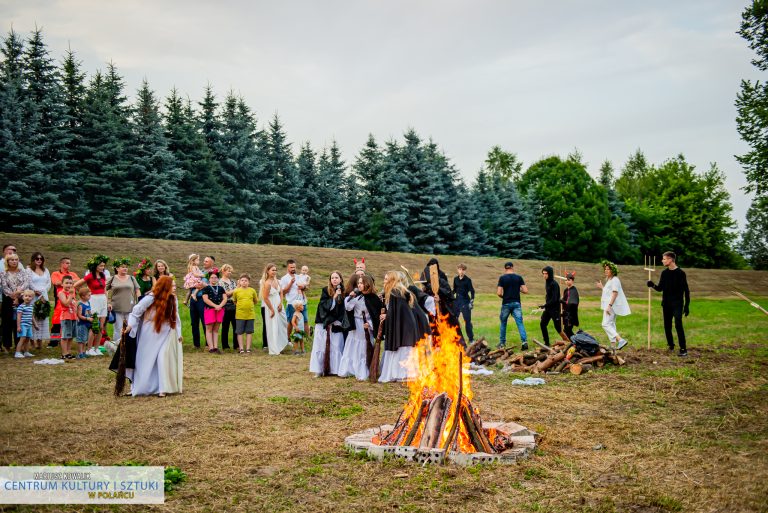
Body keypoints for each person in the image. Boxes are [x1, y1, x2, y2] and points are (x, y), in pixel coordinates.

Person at [128, 276, 183, 397]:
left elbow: (176, 317)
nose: (174, 288)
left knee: (162, 358)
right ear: (165, 287)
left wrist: (179, 333)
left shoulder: (173, 299)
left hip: (166, 333)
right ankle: (145, 385)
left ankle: (163, 388)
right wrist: (130, 326)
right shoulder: (151, 298)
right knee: (146, 360)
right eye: (172, 286)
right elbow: (136, 311)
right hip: (149, 333)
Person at [379, 271, 427, 383]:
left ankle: (401, 374)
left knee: (402, 348)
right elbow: (396, 311)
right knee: (403, 348)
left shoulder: (395, 292)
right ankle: (403, 374)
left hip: (404, 326)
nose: (384, 281)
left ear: (392, 281)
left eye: (387, 279)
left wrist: (387, 315)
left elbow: (397, 311)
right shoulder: (398, 291)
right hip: (405, 325)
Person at [339, 274, 383, 380]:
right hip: (355, 324)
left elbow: (376, 316)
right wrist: (350, 296)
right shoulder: (358, 296)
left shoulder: (373, 298)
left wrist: (370, 324)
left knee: (363, 347)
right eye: (358, 283)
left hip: (365, 326)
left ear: (367, 284)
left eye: (361, 283)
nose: (359, 285)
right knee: (352, 345)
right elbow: (348, 307)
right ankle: (350, 369)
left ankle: (363, 370)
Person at [647, 251, 691, 357]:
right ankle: (671, 345)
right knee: (667, 326)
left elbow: (686, 290)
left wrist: (686, 305)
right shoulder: (664, 273)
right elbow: (660, 288)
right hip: (666, 304)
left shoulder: (680, 273)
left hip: (677, 304)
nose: (662, 260)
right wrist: (652, 285)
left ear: (671, 260)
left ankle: (683, 349)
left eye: (664, 259)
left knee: (678, 324)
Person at [309, 271, 348, 376]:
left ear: (341, 279)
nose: (334, 279)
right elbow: (323, 306)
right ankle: (319, 369)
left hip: (336, 324)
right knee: (321, 346)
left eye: (336, 277)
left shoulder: (345, 292)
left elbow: (344, 309)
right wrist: (334, 296)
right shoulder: (325, 290)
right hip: (324, 323)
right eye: (332, 278)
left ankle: (335, 370)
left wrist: (338, 321)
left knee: (336, 346)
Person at [74, 254, 110, 352]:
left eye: (103, 266)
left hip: (103, 299)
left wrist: (107, 302)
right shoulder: (90, 276)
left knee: (101, 326)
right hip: (94, 299)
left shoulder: (103, 275)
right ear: (95, 266)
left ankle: (96, 348)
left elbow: (105, 289)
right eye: (100, 266)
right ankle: (89, 348)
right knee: (95, 325)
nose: (103, 268)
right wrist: (83, 294)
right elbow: (76, 285)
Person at [596, 260, 631, 350]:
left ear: (613, 271)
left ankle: (621, 340)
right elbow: (609, 293)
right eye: (605, 269)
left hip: (611, 306)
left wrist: (609, 306)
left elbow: (615, 293)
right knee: (611, 324)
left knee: (605, 324)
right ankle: (613, 346)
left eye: (608, 269)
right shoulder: (610, 280)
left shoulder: (615, 280)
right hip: (610, 305)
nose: (606, 271)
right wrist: (602, 287)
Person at [1, 253, 30, 352]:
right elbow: (4, 287)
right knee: (7, 323)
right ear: (7, 261)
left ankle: (19, 344)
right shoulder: (3, 273)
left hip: (22, 298)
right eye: (12, 260)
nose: (14, 261)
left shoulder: (23, 272)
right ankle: (7, 345)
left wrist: (18, 295)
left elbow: (26, 283)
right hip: (8, 299)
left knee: (20, 322)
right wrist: (14, 296)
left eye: (16, 259)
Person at [497, 261, 529, 350]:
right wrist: (518, 289)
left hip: (506, 303)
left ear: (505, 268)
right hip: (516, 303)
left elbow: (499, 293)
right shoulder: (518, 278)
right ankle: (524, 342)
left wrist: (504, 297)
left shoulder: (502, 278)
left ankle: (502, 343)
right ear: (512, 267)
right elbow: (526, 290)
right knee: (520, 323)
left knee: (503, 323)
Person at [107, 258, 140, 340]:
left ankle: (129, 347)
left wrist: (140, 303)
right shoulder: (112, 278)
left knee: (130, 328)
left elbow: (137, 290)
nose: (125, 268)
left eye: (126, 267)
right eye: (122, 267)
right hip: (117, 307)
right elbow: (104, 290)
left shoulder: (132, 278)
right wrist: (108, 302)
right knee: (118, 329)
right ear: (117, 269)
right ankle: (117, 347)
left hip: (130, 308)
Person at [50, 257, 80, 348]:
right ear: (62, 264)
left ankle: (68, 338)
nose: (69, 265)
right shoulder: (55, 273)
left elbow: (78, 281)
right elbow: (56, 282)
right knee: (57, 319)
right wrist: (70, 281)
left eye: (69, 263)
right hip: (61, 297)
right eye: (67, 263)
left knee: (71, 318)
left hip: (72, 298)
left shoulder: (73, 273)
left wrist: (65, 281)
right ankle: (54, 341)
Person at [262, 263, 290, 356]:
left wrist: (281, 303)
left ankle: (280, 345)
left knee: (282, 324)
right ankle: (274, 350)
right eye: (272, 270)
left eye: (275, 270)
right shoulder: (267, 283)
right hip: (271, 305)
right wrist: (272, 310)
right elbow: (265, 298)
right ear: (268, 271)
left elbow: (281, 292)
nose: (274, 272)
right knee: (273, 326)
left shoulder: (277, 281)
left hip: (279, 304)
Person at [27, 252, 51, 350]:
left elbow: (49, 282)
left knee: (42, 317)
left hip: (44, 295)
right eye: (37, 259)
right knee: (34, 317)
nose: (39, 260)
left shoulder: (46, 270)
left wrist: (43, 293)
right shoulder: (29, 270)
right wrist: (35, 291)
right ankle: (32, 341)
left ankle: (40, 341)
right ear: (33, 260)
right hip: (33, 295)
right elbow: (29, 282)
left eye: (41, 259)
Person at [232, 273, 258, 354]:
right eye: (242, 280)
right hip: (240, 315)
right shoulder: (236, 291)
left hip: (250, 315)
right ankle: (241, 349)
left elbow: (255, 301)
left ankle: (248, 348)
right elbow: (234, 301)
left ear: (248, 282)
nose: (244, 282)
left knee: (249, 332)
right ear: (239, 282)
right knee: (239, 332)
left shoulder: (252, 290)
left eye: (246, 281)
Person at [202, 269, 226, 354]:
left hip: (220, 309)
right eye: (212, 278)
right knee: (209, 328)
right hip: (210, 309)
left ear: (218, 279)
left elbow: (225, 298)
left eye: (215, 278)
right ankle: (210, 347)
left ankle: (215, 347)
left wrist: (220, 306)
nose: (214, 279)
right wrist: (215, 306)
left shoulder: (221, 288)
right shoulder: (206, 288)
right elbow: (205, 299)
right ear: (209, 279)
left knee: (216, 329)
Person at [280, 260, 304, 339]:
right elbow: (283, 292)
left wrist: (303, 287)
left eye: (294, 267)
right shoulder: (284, 278)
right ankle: (288, 338)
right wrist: (291, 283)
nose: (293, 268)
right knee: (291, 321)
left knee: (301, 321)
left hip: (300, 303)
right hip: (291, 303)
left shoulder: (299, 277)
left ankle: (300, 338)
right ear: (287, 267)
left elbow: (305, 288)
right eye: (291, 267)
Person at [539, 266, 562, 347]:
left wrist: (545, 305)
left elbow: (555, 299)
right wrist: (545, 305)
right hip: (548, 308)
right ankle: (547, 343)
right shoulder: (547, 282)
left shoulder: (554, 284)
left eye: (546, 273)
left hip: (555, 309)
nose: (544, 275)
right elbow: (549, 296)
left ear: (550, 274)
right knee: (542, 324)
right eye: (543, 273)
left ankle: (569, 342)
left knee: (558, 328)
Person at [452, 263, 475, 344]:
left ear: (465, 271)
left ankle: (471, 339)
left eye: (463, 270)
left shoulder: (468, 280)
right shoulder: (455, 279)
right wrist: (450, 295)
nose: (461, 271)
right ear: (457, 270)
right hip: (457, 302)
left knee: (467, 321)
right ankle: (455, 337)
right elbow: (454, 290)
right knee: (454, 319)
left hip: (465, 302)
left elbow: (472, 291)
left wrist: (471, 301)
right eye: (460, 269)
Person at [57, 275, 78, 360]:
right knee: (65, 336)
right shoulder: (61, 293)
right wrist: (70, 295)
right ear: (62, 284)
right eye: (66, 283)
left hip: (73, 317)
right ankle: (64, 353)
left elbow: (74, 304)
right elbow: (65, 303)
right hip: (66, 317)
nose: (69, 285)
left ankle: (68, 352)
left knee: (71, 336)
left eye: (70, 283)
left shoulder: (72, 293)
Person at [219, 264, 237, 351]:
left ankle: (236, 345)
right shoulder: (220, 282)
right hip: (225, 305)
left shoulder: (233, 282)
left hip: (234, 305)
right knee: (225, 325)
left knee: (236, 325)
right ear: (223, 271)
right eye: (228, 271)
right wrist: (236, 289)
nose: (230, 272)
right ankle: (225, 345)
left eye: (230, 271)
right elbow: (226, 293)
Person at [14, 289, 36, 358]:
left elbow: (32, 316)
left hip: (29, 325)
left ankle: (26, 352)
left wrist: (35, 325)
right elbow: (18, 317)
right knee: (22, 338)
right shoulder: (21, 307)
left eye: (29, 296)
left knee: (27, 338)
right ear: (23, 297)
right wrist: (18, 326)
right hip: (22, 325)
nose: (27, 297)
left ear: (32, 298)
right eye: (26, 296)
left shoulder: (31, 306)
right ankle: (17, 352)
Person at [75, 287, 95, 359]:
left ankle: (83, 352)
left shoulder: (88, 302)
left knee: (84, 339)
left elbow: (89, 311)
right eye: (88, 295)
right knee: (81, 339)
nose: (90, 297)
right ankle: (80, 353)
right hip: (82, 324)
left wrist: (92, 315)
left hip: (87, 323)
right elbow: (79, 315)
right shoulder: (80, 304)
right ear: (83, 296)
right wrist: (87, 318)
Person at [561, 272, 580, 340]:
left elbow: (573, 302)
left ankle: (576, 341)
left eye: (568, 280)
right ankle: (571, 343)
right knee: (565, 330)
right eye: (566, 280)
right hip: (565, 313)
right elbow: (564, 300)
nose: (567, 281)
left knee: (567, 330)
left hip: (570, 315)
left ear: (572, 280)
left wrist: (562, 301)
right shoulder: (566, 290)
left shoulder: (574, 290)